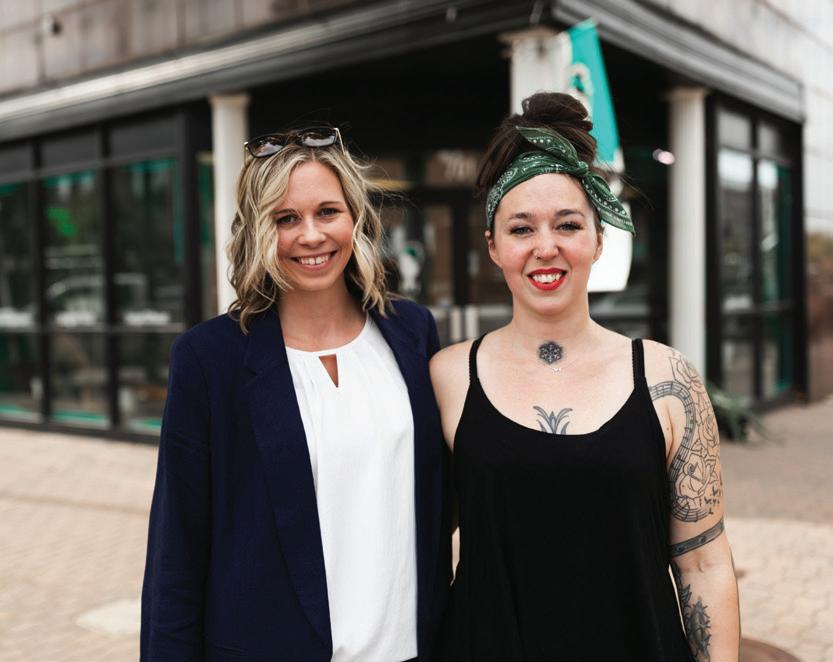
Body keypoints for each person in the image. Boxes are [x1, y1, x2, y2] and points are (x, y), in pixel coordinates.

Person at [432, 93, 740, 661]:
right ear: (493, 246)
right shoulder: (448, 376)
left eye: (568, 225)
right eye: (521, 229)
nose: (545, 247)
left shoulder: (667, 378)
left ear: (599, 239)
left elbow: (702, 561)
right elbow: (413, 542)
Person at [141, 126, 452, 661]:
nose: (311, 235)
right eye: (286, 218)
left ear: (356, 218)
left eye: (328, 212)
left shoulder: (412, 331)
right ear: (258, 230)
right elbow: (178, 547)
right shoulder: (209, 358)